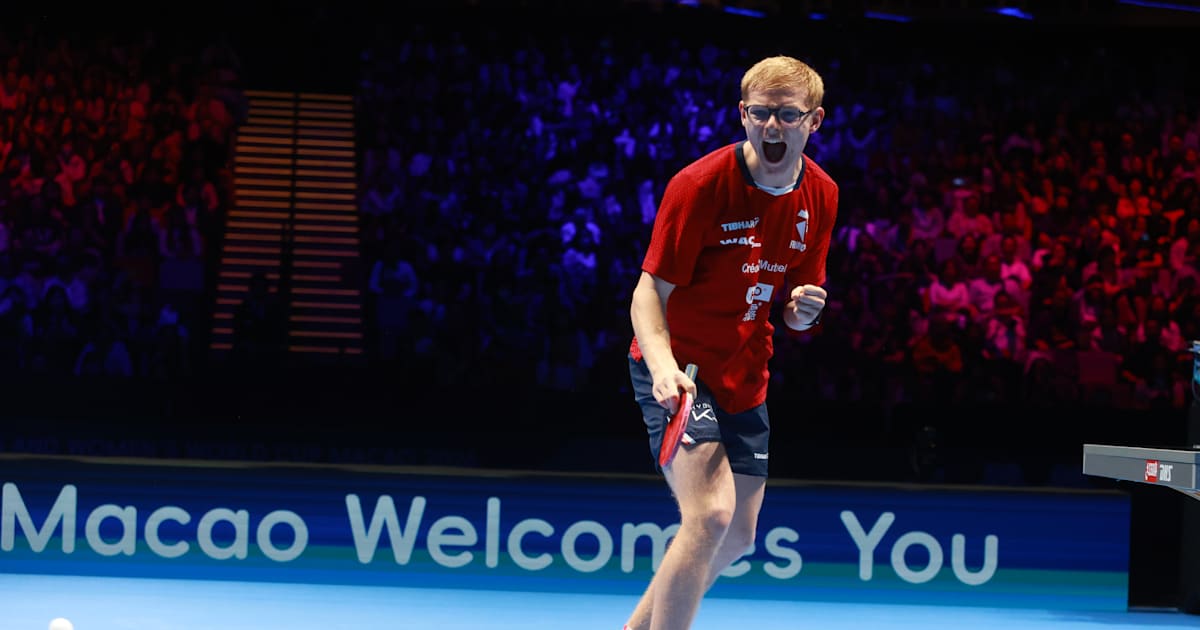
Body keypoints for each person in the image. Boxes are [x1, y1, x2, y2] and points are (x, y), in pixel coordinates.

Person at [625, 55, 838, 630]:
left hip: (745, 370)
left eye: (787, 115)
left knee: (738, 535)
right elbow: (648, 292)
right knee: (710, 517)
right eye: (761, 113)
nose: (772, 126)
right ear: (743, 114)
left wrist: (802, 312)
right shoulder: (699, 186)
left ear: (813, 121)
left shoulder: (821, 194)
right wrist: (664, 368)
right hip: (682, 368)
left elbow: (795, 307)